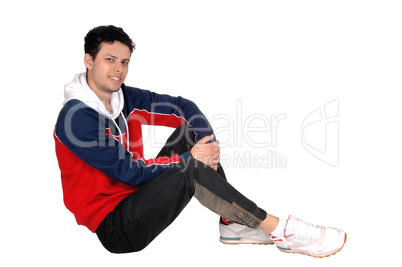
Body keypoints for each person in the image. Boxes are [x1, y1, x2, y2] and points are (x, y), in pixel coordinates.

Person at [54, 25, 347, 258]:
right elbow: (129, 171)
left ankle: (233, 225)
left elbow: (182, 106)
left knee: (190, 133)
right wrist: (191, 159)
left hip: (137, 194)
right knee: (191, 166)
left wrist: (206, 142)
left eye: (124, 61)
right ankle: (282, 229)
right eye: (109, 60)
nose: (118, 69)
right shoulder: (76, 118)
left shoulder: (123, 96)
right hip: (117, 226)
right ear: (89, 60)